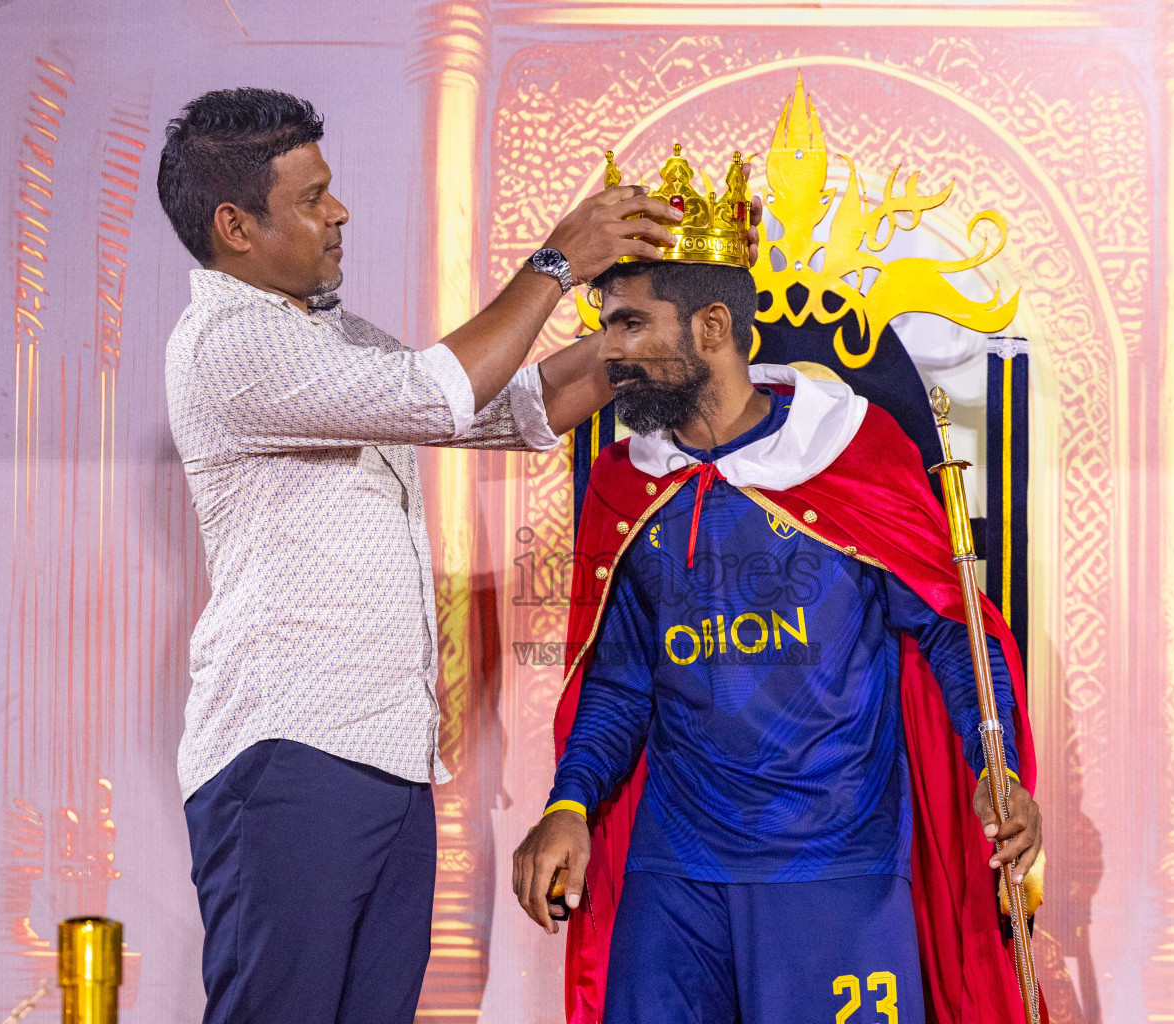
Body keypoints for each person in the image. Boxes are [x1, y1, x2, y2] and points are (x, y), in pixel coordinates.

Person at [156, 87, 759, 1024]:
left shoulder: (327, 332)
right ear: (235, 226)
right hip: (288, 755)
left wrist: (648, 327)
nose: (339, 212)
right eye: (313, 198)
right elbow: (436, 394)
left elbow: (505, 407)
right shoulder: (231, 344)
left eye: (333, 189)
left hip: (383, 758)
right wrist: (559, 264)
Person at [511, 256, 1043, 1024]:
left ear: (713, 327)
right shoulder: (629, 483)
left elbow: (951, 631)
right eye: (606, 327)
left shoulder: (855, 454)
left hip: (835, 864)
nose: (610, 351)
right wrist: (568, 801)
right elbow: (620, 681)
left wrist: (996, 765)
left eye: (631, 322)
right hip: (676, 873)